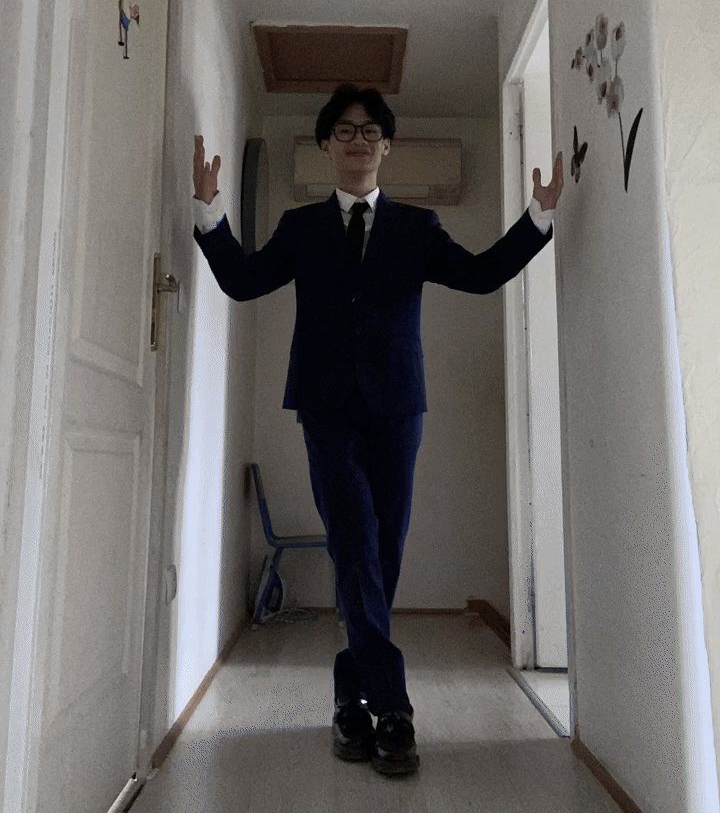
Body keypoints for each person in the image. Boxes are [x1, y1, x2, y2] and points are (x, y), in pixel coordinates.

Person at [192, 84, 563, 777]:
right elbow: (243, 282)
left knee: (382, 549)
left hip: (398, 407)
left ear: (386, 147)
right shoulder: (301, 227)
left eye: (369, 130)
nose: (357, 139)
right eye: (344, 129)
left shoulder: (416, 227)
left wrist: (538, 217)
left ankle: (348, 695)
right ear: (326, 145)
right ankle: (392, 708)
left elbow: (481, 276)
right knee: (355, 539)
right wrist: (209, 213)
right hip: (325, 407)